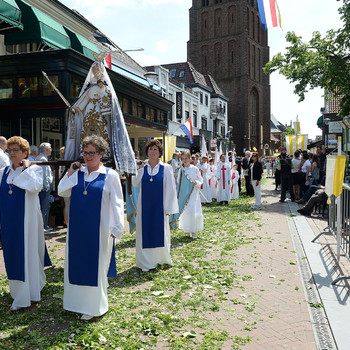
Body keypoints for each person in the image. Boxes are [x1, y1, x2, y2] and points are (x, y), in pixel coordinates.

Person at [58, 135, 124, 320]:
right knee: (76, 264)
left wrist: (117, 227)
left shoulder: (110, 175)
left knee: (96, 267)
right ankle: (75, 303)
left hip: (100, 230)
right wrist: (70, 171)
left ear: (101, 153)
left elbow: (117, 202)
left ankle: (94, 307)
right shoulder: (77, 173)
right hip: (77, 229)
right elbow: (61, 190)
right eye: (85, 153)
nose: (87, 157)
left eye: (92, 153)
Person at [0, 136, 50, 311]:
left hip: (26, 222)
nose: (12, 153)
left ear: (25, 153)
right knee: (12, 255)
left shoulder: (34, 170)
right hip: (8, 222)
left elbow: (35, 187)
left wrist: (26, 168)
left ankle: (28, 294)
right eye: (10, 150)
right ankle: (18, 293)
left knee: (27, 254)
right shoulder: (4, 172)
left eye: (16, 150)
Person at [132, 139, 178, 272]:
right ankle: (145, 262)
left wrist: (168, 208)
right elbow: (135, 183)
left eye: (155, 150)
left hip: (160, 207)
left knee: (160, 232)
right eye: (150, 149)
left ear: (159, 153)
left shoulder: (166, 168)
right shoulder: (143, 167)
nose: (152, 152)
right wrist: (138, 169)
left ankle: (160, 259)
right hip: (144, 207)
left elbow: (170, 188)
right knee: (144, 231)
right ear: (147, 151)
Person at [178, 151, 203, 238]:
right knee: (186, 211)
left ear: (190, 159)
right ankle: (187, 229)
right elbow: (179, 182)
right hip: (185, 193)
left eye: (186, 158)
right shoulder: (181, 170)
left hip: (194, 193)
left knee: (193, 211)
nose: (184, 160)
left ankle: (194, 230)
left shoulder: (195, 169)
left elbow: (200, 179)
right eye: (183, 159)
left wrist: (197, 183)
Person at [36, 143, 54, 233]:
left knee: (44, 206)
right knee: (44, 207)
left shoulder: (40, 158)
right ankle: (42, 226)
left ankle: (44, 225)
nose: (51, 150)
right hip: (44, 188)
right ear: (46, 150)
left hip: (43, 188)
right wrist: (46, 187)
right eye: (50, 148)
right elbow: (44, 175)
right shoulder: (42, 159)